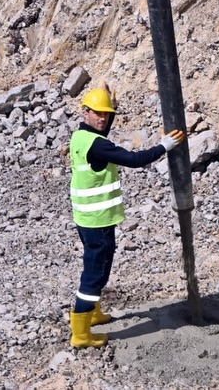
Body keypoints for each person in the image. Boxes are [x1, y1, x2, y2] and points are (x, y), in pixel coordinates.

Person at [67, 82, 185, 348]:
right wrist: (163, 146)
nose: (102, 118)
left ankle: (93, 313)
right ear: (84, 112)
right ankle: (81, 334)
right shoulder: (97, 145)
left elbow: (102, 131)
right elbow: (133, 160)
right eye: (97, 113)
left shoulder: (79, 136)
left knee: (95, 268)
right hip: (98, 220)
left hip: (88, 219)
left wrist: (111, 105)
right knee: (95, 274)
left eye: (106, 114)